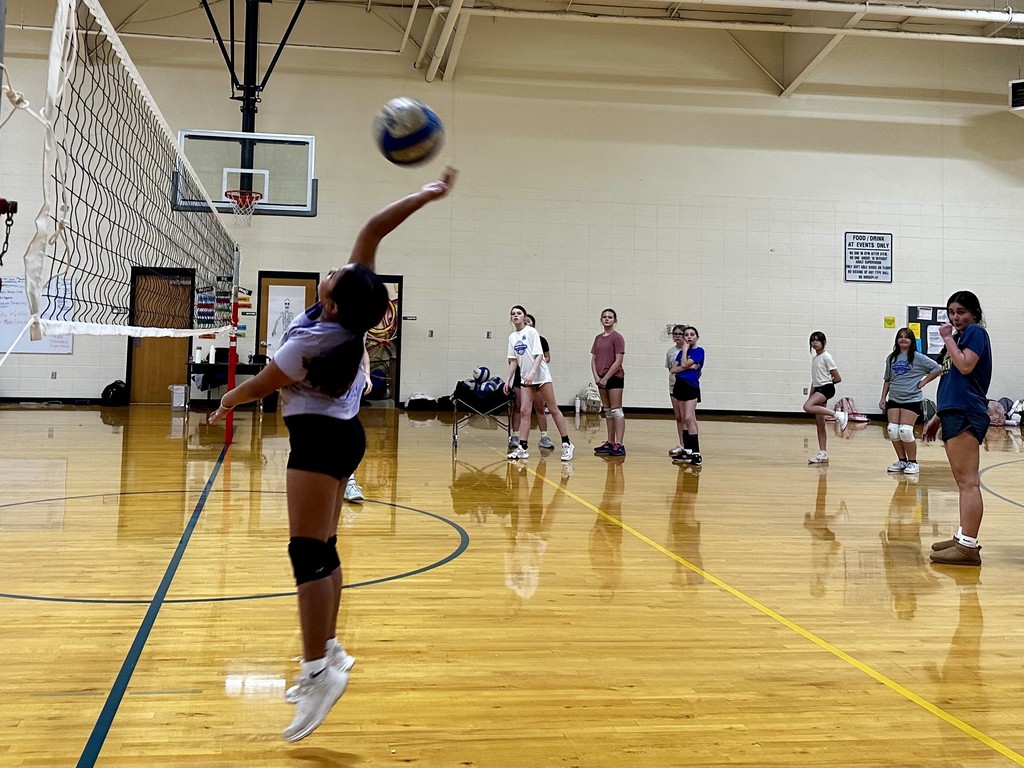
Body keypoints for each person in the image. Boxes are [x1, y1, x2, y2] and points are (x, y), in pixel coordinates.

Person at [209, 168, 457, 741]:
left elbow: (260, 385)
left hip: (320, 443)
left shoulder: (311, 342)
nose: (337, 267)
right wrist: (427, 193)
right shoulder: (340, 319)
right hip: (338, 438)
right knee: (324, 548)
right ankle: (332, 649)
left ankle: (317, 670)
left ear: (337, 302)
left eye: (339, 274)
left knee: (306, 554)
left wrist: (226, 401)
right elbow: (374, 227)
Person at [923, 291, 992, 567]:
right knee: (962, 482)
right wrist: (939, 416)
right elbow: (951, 379)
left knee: (968, 482)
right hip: (953, 411)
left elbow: (964, 366)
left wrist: (948, 338)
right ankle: (963, 536)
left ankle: (968, 547)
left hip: (966, 412)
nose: (955, 317)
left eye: (961, 311)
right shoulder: (961, 338)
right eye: (951, 312)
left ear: (974, 313)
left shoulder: (975, 332)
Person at [503, 305, 575, 462]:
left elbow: (539, 355)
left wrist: (533, 373)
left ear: (524, 316)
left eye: (519, 313)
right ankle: (523, 447)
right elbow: (513, 361)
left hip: (540, 377)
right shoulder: (512, 337)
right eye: (513, 314)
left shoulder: (532, 332)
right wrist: (507, 380)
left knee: (553, 409)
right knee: (524, 411)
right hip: (525, 379)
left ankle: (567, 444)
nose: (516, 316)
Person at [878, 327, 942, 475]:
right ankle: (902, 460)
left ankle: (913, 463)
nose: (903, 339)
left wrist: (923, 382)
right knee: (893, 430)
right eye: (900, 337)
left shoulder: (918, 357)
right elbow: (887, 380)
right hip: (894, 398)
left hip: (911, 399)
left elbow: (937, 369)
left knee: (905, 431)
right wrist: (883, 398)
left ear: (911, 340)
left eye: (906, 337)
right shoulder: (891, 358)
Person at [803, 331, 849, 464]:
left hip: (826, 388)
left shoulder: (826, 357)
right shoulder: (815, 359)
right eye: (812, 340)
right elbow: (815, 380)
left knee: (807, 407)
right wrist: (811, 394)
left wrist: (827, 383)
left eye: (817, 340)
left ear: (823, 342)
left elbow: (838, 378)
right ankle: (823, 453)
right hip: (818, 389)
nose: (814, 343)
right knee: (820, 423)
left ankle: (838, 415)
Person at [510, 314, 553, 451]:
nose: (527, 324)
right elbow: (512, 359)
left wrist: (536, 364)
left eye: (530, 322)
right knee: (519, 407)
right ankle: (516, 436)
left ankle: (544, 436)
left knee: (540, 408)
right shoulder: (515, 338)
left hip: (537, 377)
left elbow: (546, 357)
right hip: (521, 377)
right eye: (525, 321)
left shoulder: (540, 340)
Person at [591, 308, 626, 456]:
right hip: (601, 378)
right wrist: (597, 377)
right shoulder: (598, 338)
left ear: (615, 321)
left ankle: (619, 444)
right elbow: (593, 359)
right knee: (607, 411)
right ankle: (610, 441)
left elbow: (618, 360)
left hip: (614, 377)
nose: (607, 319)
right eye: (604, 317)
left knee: (616, 410)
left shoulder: (617, 338)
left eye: (610, 317)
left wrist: (606, 378)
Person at [669, 326, 705, 467]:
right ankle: (687, 451)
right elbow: (673, 370)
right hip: (679, 385)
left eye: (692, 334)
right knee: (683, 418)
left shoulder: (699, 351)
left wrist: (684, 352)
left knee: (689, 418)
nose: (689, 337)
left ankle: (696, 452)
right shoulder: (681, 353)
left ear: (697, 336)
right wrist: (688, 366)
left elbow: (683, 364)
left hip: (691, 386)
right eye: (686, 335)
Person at [344, 344, 374, 503]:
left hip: (346, 390)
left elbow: (362, 350)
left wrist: (367, 374)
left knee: (350, 439)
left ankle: (349, 481)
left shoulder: (352, 330)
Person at [666, 325, 688, 458]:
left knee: (687, 417)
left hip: (686, 386)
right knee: (679, 417)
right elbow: (670, 369)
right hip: (673, 386)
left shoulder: (691, 351)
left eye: (681, 333)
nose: (678, 336)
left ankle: (689, 444)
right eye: (675, 334)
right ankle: (682, 444)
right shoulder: (670, 352)